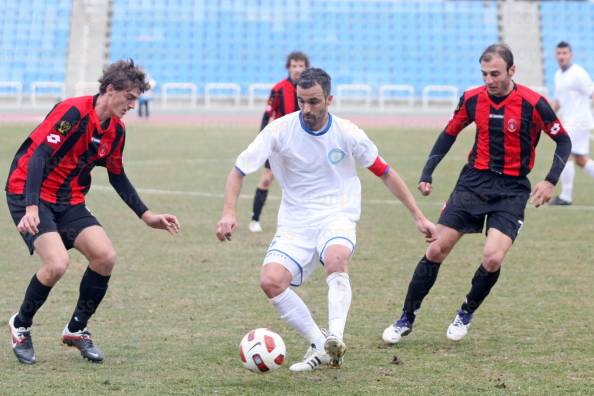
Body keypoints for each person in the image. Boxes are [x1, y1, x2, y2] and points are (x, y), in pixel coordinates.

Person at [216, 68, 436, 371]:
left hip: (337, 214)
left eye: (314, 102)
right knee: (270, 281)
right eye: (301, 101)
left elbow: (385, 171)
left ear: (329, 99)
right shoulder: (279, 130)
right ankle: (320, 344)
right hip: (295, 222)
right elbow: (239, 169)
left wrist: (419, 216)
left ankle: (336, 336)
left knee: (335, 258)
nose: (306, 109)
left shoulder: (347, 133)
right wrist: (229, 212)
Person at [382, 44, 572, 344]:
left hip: (511, 189)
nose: (489, 80)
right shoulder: (472, 99)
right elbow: (449, 133)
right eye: (484, 74)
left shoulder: (534, 104)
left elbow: (563, 141)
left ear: (512, 71)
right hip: (473, 183)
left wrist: (549, 181)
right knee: (435, 250)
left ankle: (466, 312)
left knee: (493, 258)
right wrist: (428, 172)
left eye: (495, 73)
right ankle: (406, 317)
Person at [6, 60, 181, 364]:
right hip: (28, 192)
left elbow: (117, 175)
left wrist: (146, 215)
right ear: (110, 90)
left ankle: (77, 329)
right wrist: (31, 206)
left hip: (69, 198)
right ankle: (20, 325)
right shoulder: (72, 112)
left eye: (136, 99)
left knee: (105, 257)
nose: (132, 105)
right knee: (57, 263)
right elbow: (38, 157)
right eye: (129, 97)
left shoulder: (116, 131)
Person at [248, 51, 310, 233]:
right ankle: (255, 219)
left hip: (304, 143)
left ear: (306, 67)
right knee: (267, 178)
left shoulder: (311, 90)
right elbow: (267, 115)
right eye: (294, 66)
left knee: (305, 180)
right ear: (288, 67)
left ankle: (305, 220)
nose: (298, 69)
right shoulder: (278, 89)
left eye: (301, 66)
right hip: (279, 142)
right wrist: (262, 140)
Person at [549, 41, 594, 205]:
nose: (561, 56)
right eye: (559, 53)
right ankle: (565, 196)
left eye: (564, 53)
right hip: (571, 121)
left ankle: (566, 197)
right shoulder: (558, 75)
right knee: (581, 160)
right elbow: (559, 101)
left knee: (565, 153)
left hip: (579, 121)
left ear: (571, 55)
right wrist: (546, 114)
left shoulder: (578, 73)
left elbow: (592, 92)